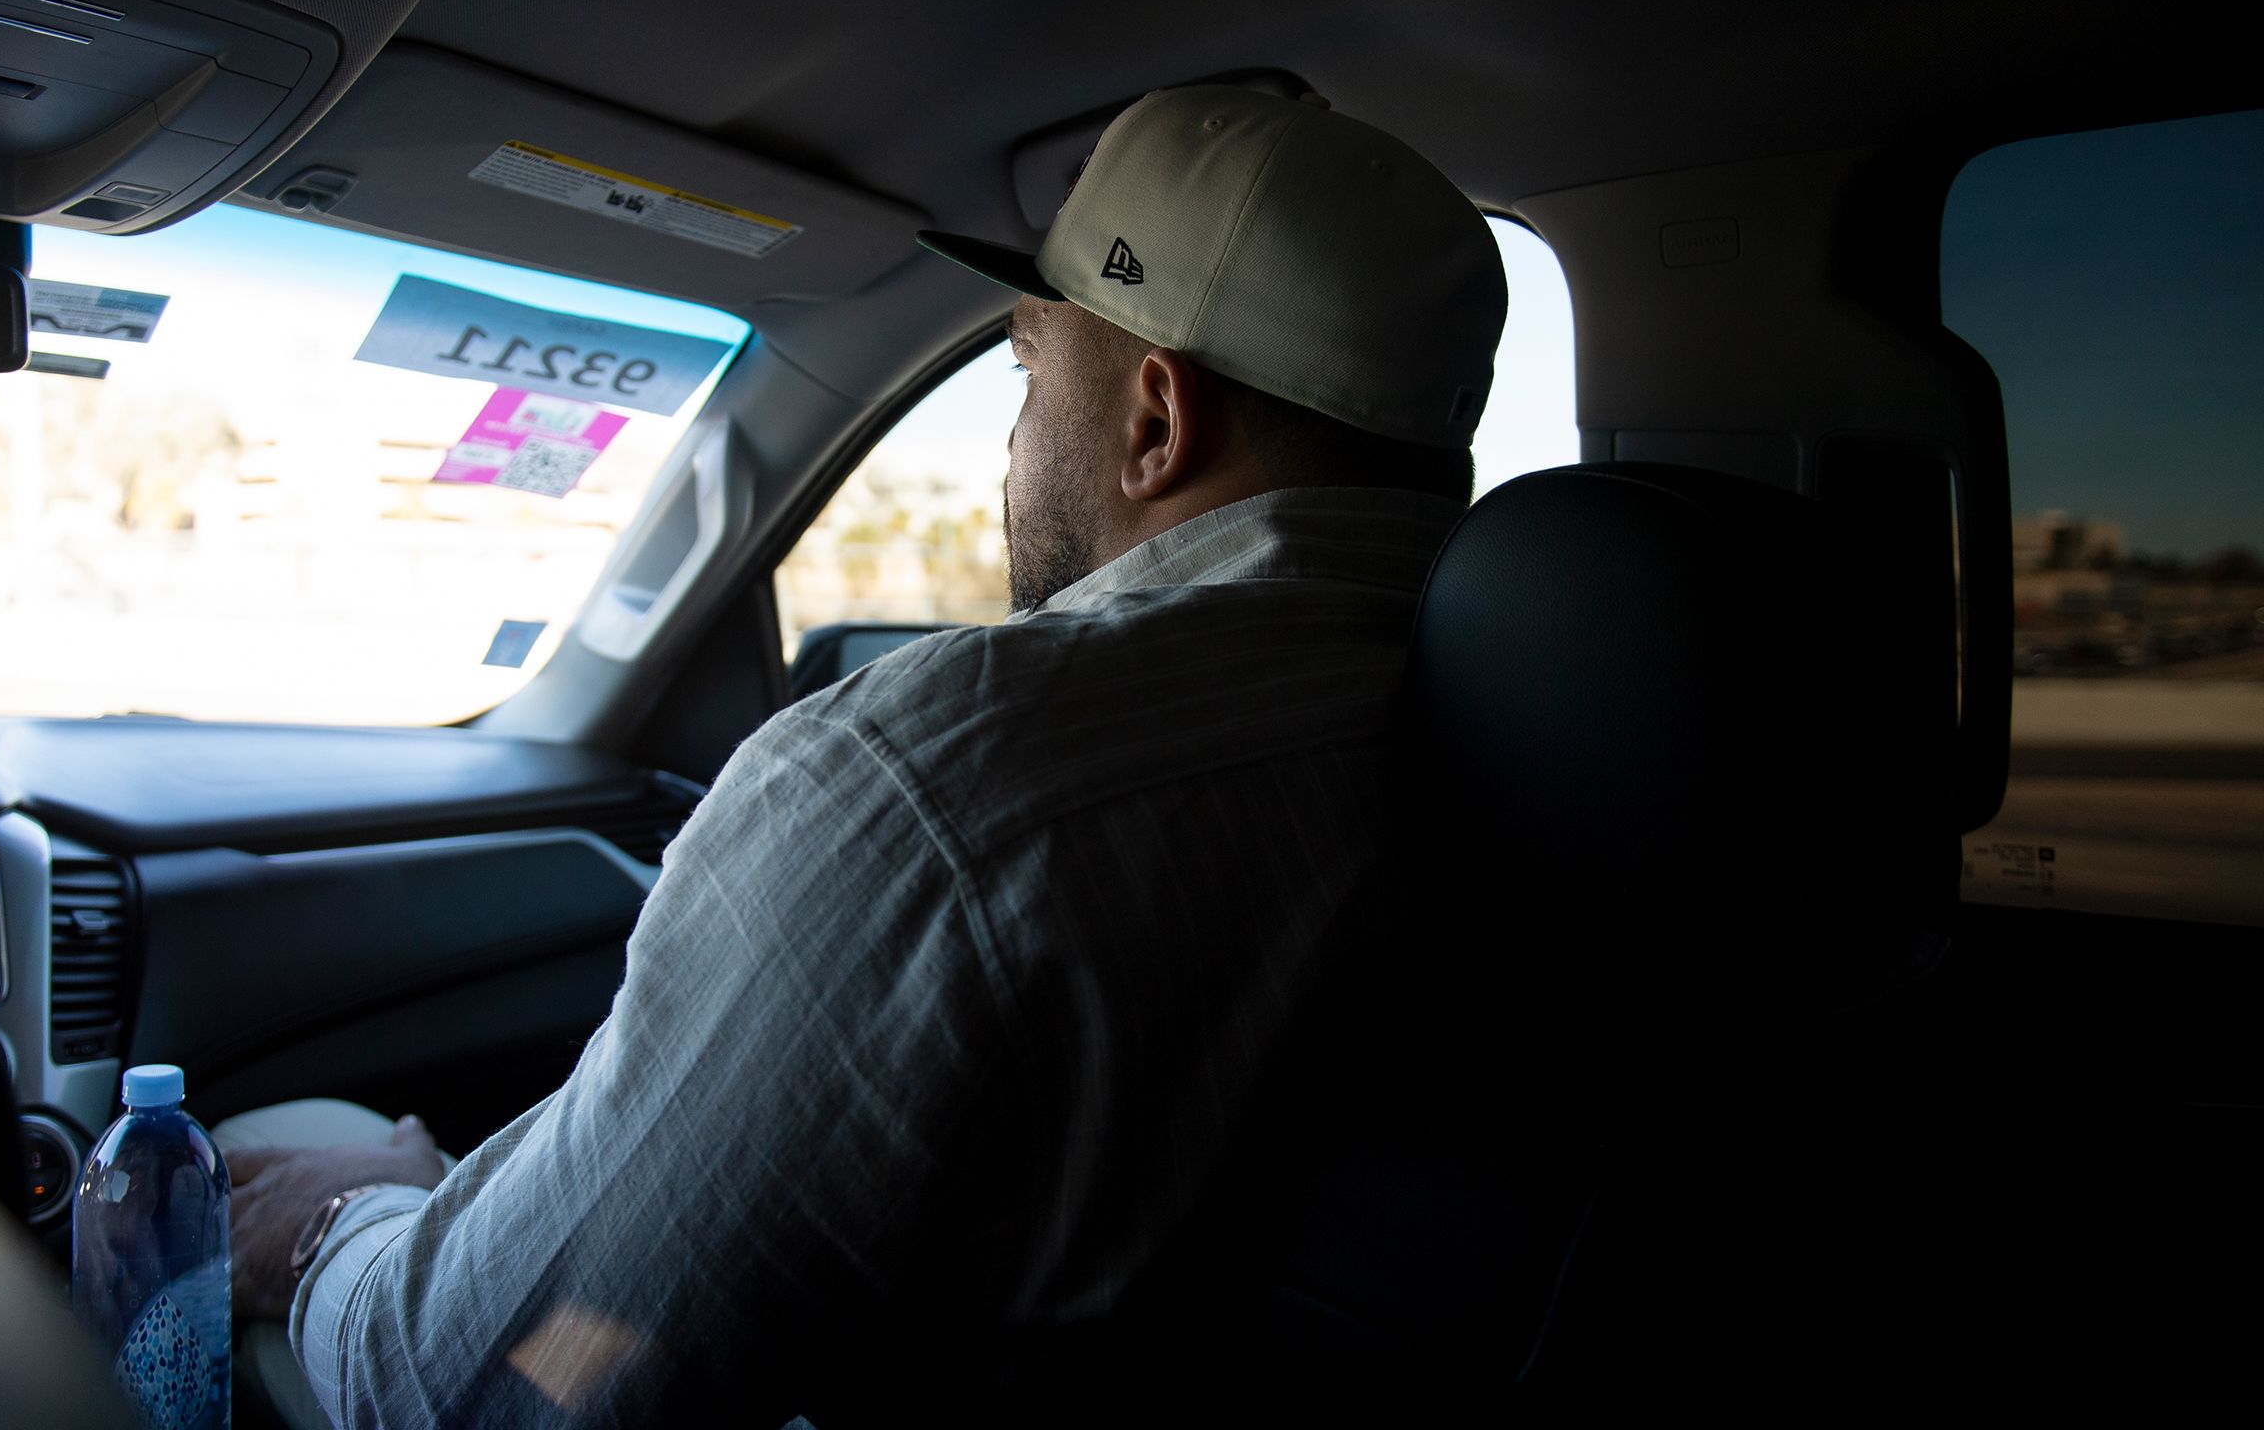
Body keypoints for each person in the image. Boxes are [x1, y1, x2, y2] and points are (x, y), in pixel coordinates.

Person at [226, 84, 1507, 1427]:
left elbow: (513, 1384)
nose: (1012, 443)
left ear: (1153, 425)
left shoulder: (940, 791)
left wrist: (332, 1231)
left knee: (274, 1148)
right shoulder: (1565, 750)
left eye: (1027, 368)